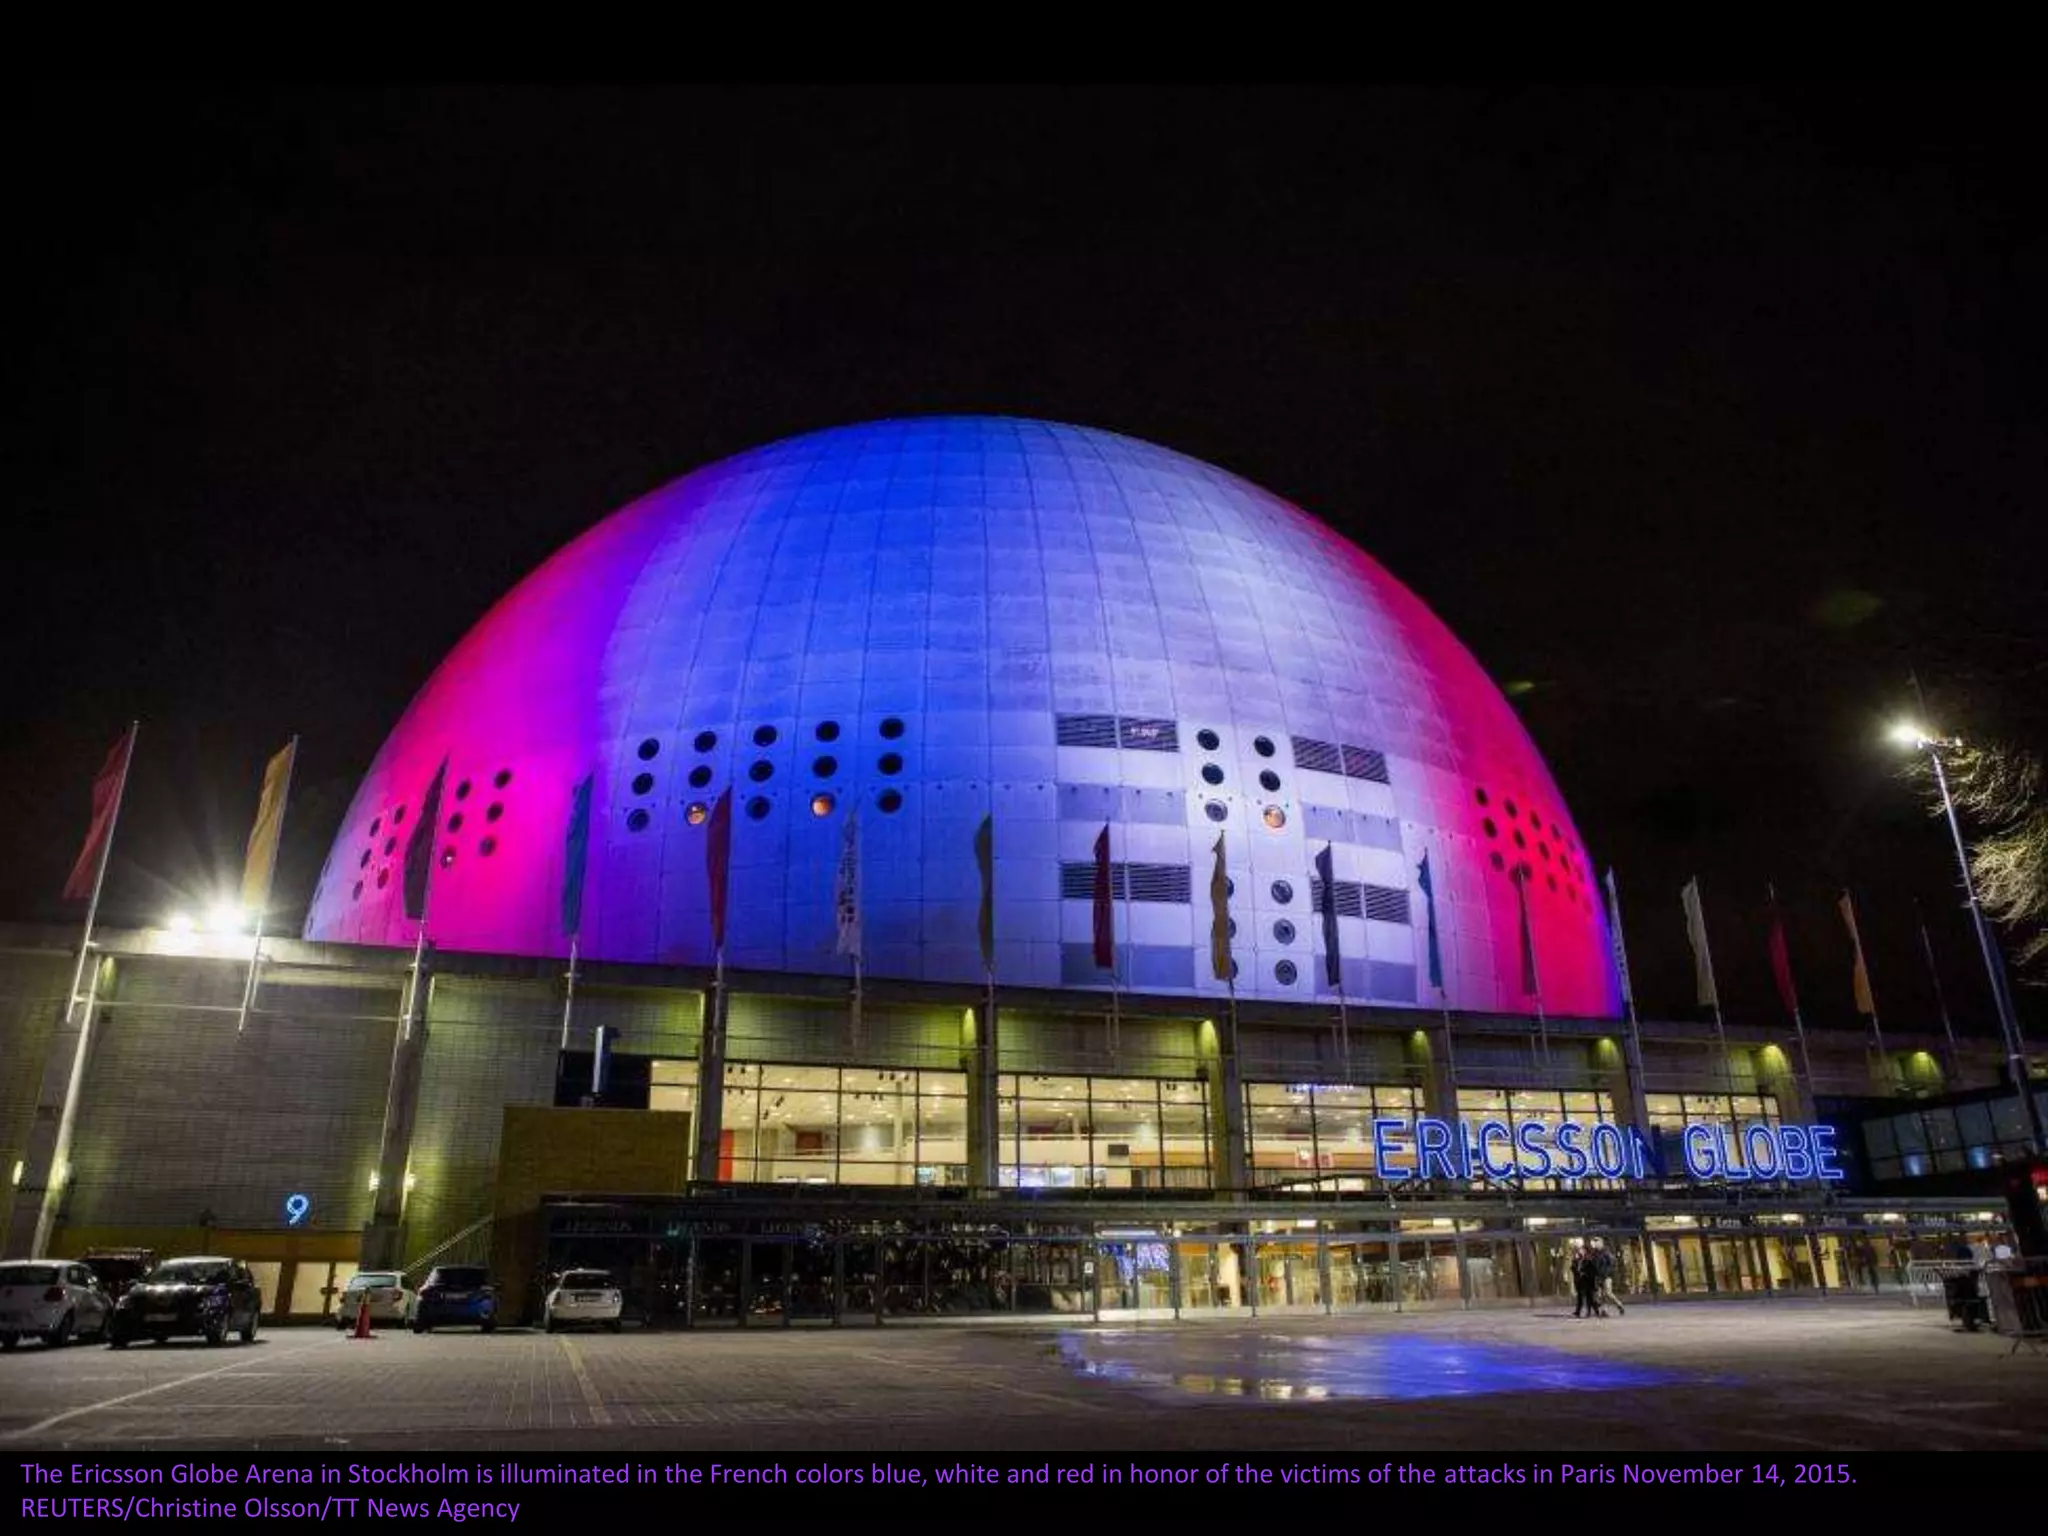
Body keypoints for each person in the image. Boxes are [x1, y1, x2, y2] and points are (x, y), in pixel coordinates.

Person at [1592, 1237, 1624, 1316]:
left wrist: (1607, 1273)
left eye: (1597, 1242)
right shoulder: (1595, 1253)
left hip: (1607, 1276)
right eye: (1595, 1242)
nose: (1596, 1244)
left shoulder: (1606, 1252)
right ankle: (1604, 1310)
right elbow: (1594, 1265)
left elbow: (1612, 1264)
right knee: (1600, 1294)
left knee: (1608, 1293)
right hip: (1598, 1276)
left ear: (1601, 1243)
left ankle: (1619, 1304)